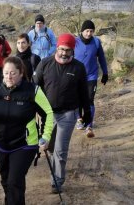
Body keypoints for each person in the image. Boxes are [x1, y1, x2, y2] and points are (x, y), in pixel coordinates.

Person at [0, 56, 53, 205]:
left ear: (21, 73)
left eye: (13, 73)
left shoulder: (33, 91)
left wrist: (45, 135)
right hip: (0, 144)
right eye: (6, 73)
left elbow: (48, 113)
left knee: (14, 181)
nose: (9, 77)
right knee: (6, 181)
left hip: (25, 144)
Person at [33, 33, 92, 194]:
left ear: (73, 50)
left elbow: (83, 94)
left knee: (60, 150)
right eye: (61, 49)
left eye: (68, 50)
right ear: (57, 48)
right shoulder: (45, 64)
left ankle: (57, 181)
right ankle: (56, 165)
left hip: (68, 114)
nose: (64, 53)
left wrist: (86, 113)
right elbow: (34, 89)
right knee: (50, 147)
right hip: (48, 114)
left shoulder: (78, 68)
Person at [74, 20, 109, 138]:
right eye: (87, 31)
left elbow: (102, 59)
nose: (89, 33)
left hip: (91, 76)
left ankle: (89, 126)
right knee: (77, 100)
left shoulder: (96, 42)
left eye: (91, 31)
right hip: (76, 76)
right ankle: (79, 119)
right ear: (82, 31)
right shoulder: (75, 42)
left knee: (89, 100)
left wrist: (105, 73)